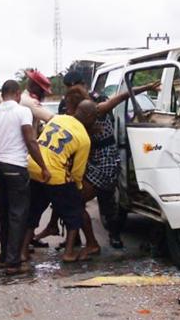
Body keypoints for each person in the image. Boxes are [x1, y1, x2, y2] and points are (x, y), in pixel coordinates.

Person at [35, 78, 160, 253]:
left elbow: (120, 97)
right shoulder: (77, 119)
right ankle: (69, 234)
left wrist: (146, 86)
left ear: (79, 106)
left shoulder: (95, 111)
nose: (67, 110)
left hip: (106, 164)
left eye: (69, 107)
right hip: (92, 163)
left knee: (79, 202)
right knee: (67, 194)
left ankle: (95, 242)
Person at [0, 80, 51, 274]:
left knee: (4, 212)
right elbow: (30, 140)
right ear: (17, 94)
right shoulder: (22, 111)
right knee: (18, 214)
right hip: (16, 167)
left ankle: (4, 258)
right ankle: (13, 262)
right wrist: (43, 166)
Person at [23, 100, 98, 263]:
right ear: (89, 116)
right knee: (74, 212)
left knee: (33, 212)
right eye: (94, 118)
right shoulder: (84, 138)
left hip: (33, 167)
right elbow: (78, 172)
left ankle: (23, 251)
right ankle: (69, 252)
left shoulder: (57, 119)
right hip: (54, 174)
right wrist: (77, 188)